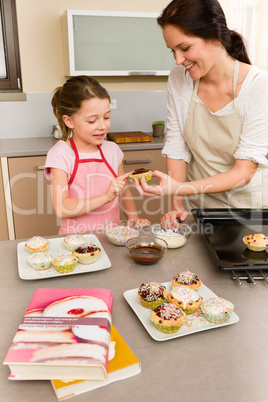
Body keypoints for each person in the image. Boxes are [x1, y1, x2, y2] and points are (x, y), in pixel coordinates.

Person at [133, 0, 268, 224]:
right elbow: (177, 148)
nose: (178, 60)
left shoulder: (259, 86)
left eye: (184, 48)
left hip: (249, 212)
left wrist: (180, 188)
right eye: (172, 51)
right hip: (198, 208)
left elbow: (244, 172)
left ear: (215, 38)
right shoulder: (179, 79)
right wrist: (177, 206)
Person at [45, 75, 150, 234]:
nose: (102, 126)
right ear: (69, 121)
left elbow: (124, 191)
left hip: (112, 238)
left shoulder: (112, 150)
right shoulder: (61, 154)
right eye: (92, 121)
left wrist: (133, 219)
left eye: (106, 117)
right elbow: (62, 208)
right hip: (75, 243)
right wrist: (106, 197)